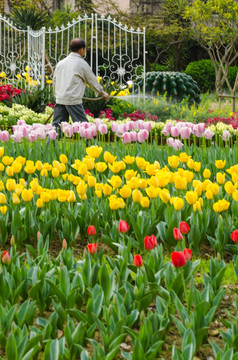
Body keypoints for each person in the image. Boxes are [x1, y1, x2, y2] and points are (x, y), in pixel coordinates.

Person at [52, 37, 110, 138]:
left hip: (60, 99)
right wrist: (102, 92)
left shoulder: (61, 63)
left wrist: (57, 96)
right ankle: (91, 147)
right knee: (84, 127)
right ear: (81, 50)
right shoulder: (81, 63)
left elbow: (54, 82)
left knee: (56, 128)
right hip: (73, 101)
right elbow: (92, 80)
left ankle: (49, 148)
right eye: (84, 49)